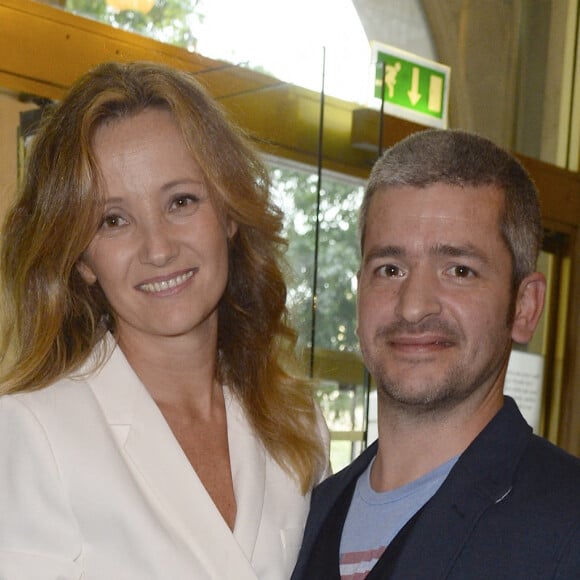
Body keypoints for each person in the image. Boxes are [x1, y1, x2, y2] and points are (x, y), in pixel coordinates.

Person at [0, 60, 329, 579]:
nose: (157, 248)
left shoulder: (296, 422)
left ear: (228, 212)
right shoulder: (31, 431)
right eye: (113, 220)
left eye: (181, 201)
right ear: (81, 259)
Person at [292, 129, 580, 580]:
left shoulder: (567, 525)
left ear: (524, 307)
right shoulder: (301, 520)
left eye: (459, 270)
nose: (413, 305)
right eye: (390, 269)